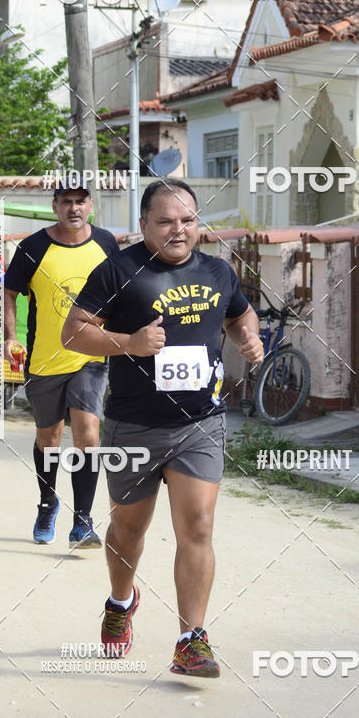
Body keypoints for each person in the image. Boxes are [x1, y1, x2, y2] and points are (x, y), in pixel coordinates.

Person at [62, 179, 264, 677]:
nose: (179, 229)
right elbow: (74, 333)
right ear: (144, 224)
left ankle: (191, 641)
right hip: (134, 425)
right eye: (166, 221)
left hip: (200, 423)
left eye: (188, 220)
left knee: (197, 525)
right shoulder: (118, 270)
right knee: (129, 529)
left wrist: (249, 339)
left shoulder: (218, 270)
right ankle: (120, 601)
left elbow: (241, 316)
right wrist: (129, 343)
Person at [4, 176, 119, 548]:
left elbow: (121, 293)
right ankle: (47, 501)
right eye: (66, 201)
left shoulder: (106, 244)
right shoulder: (32, 247)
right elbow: (9, 292)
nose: (74, 208)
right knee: (48, 438)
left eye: (80, 201)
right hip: (44, 359)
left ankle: (83, 521)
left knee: (88, 432)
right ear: (54, 206)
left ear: (90, 205)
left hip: (91, 356)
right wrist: (10, 337)